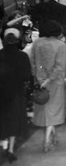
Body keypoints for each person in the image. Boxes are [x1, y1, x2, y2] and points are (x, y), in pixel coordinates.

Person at [31, 20, 66, 153]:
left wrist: (39, 79)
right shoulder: (61, 45)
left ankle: (52, 135)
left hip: (39, 82)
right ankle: (47, 139)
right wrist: (49, 79)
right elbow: (59, 67)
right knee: (53, 111)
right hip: (55, 83)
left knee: (45, 110)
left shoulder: (36, 43)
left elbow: (33, 63)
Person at [0, 28, 32, 162]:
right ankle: (11, 149)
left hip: (1, 92)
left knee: (2, 119)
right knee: (14, 120)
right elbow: (27, 76)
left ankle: (3, 144)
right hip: (16, 93)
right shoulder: (22, 56)